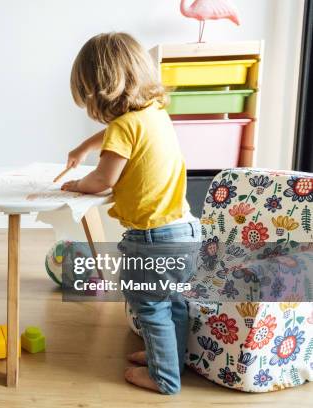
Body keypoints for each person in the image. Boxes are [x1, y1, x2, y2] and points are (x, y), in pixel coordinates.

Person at [61, 32, 201, 394]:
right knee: (174, 303)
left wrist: (77, 183)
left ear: (100, 90)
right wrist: (84, 146)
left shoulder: (123, 127)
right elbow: (117, 134)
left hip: (150, 239)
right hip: (184, 231)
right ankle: (172, 360)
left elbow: (102, 180)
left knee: (149, 306)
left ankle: (163, 378)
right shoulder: (154, 114)